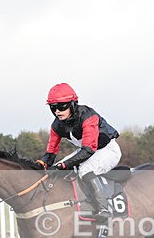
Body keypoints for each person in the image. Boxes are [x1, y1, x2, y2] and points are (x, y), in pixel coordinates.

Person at [37, 83, 121, 222]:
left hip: (107, 150)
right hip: (86, 150)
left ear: (72, 104)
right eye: (53, 107)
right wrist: (42, 164)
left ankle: (104, 209)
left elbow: (88, 150)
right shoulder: (56, 125)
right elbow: (50, 154)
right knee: (57, 169)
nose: (57, 111)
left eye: (61, 106)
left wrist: (63, 166)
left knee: (85, 170)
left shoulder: (88, 116)